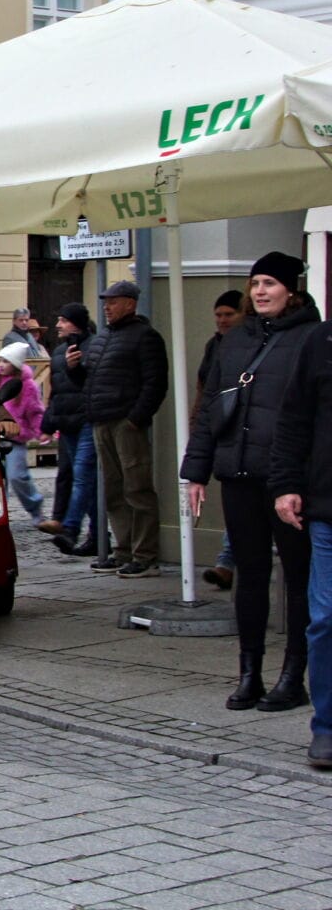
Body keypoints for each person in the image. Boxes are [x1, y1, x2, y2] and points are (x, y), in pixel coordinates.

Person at [184, 252, 320, 711]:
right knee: (251, 576)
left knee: (299, 579)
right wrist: (196, 470)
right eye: (255, 283)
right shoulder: (234, 340)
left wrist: (300, 478)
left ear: (291, 289)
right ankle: (250, 673)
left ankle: (293, 675)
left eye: (270, 283)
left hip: (290, 482)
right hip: (238, 473)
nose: (260, 291)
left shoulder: (312, 338)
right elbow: (209, 411)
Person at [269, 306, 332, 767]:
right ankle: (327, 727)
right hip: (328, 505)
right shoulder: (321, 342)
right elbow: (293, 419)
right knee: (326, 617)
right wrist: (287, 484)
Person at [73, 280, 168, 576]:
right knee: (113, 490)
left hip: (126, 422)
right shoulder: (103, 338)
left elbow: (156, 382)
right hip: (102, 420)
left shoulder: (145, 337)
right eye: (105, 302)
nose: (107, 307)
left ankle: (144, 554)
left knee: (137, 488)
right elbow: (90, 382)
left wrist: (135, 419)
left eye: (112, 301)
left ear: (130, 303)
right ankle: (123, 549)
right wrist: (75, 369)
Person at [39, 303, 99, 556]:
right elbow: (57, 393)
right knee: (86, 482)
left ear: (76, 323)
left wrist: (78, 368)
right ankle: (98, 536)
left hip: (87, 419)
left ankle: (70, 529)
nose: (58, 325)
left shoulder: (93, 347)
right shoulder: (60, 352)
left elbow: (91, 385)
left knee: (83, 476)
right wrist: (48, 424)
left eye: (63, 320)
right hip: (68, 423)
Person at [197, 289, 245, 590]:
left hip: (245, 435)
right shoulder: (214, 346)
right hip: (220, 431)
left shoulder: (249, 346)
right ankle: (228, 561)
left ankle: (227, 561)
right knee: (235, 506)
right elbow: (205, 390)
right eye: (219, 315)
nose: (223, 320)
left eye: (229, 314)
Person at [0, 341, 47, 522]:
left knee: (17, 476)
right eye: (0, 361)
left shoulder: (27, 387)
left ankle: (35, 509)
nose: (1, 365)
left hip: (16, 439)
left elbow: (35, 412)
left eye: (6, 361)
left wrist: (41, 430)